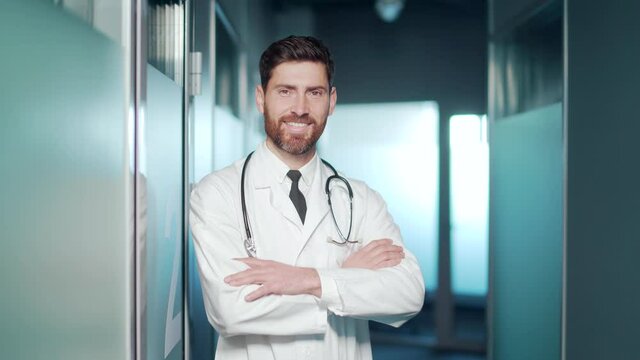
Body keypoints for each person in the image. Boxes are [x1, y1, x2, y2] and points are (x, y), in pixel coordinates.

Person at [190, 35, 425, 360]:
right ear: (261, 98)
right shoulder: (217, 193)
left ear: (331, 100)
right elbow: (230, 311)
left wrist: (308, 279)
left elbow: (408, 293)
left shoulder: (360, 198)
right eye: (285, 91)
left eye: (314, 93)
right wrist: (346, 277)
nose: (300, 109)